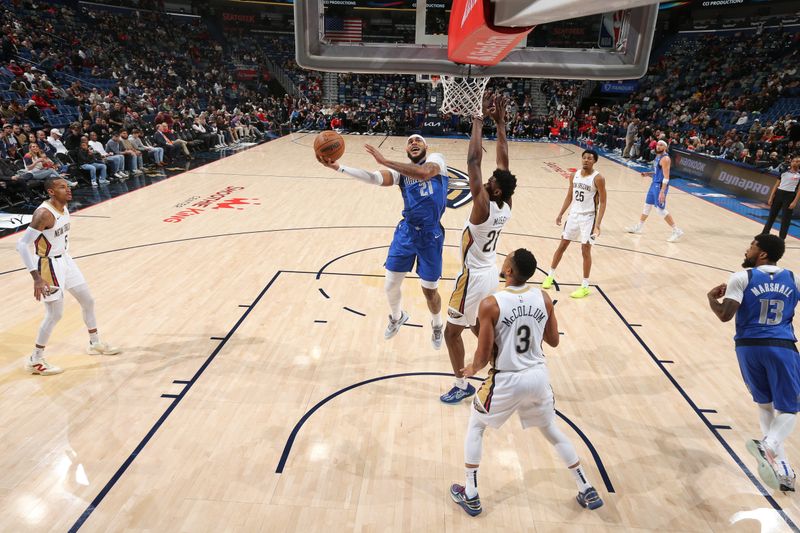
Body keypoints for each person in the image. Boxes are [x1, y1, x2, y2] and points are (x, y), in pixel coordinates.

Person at [450, 249, 604, 516]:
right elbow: (554, 341)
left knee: (476, 426)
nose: (504, 260)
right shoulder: (542, 297)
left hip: (507, 379)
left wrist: (471, 368)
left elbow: (483, 356)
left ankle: (471, 493)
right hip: (538, 376)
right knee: (552, 431)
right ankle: (585, 485)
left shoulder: (491, 304)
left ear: (509, 271)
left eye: (506, 259)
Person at [317, 135, 448, 348]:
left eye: (418, 140)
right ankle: (397, 317)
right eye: (410, 141)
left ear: (426, 146)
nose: (414, 142)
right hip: (406, 233)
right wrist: (339, 168)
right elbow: (374, 178)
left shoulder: (437, 161)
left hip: (430, 236)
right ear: (406, 149)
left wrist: (385, 160)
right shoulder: (401, 173)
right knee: (390, 285)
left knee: (430, 291)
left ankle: (437, 324)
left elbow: (425, 172)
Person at [707, 234, 799, 492]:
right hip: (781, 348)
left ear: (762, 254)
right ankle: (767, 446)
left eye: (752, 246)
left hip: (748, 348)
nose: (747, 249)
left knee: (765, 404)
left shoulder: (741, 277)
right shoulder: (793, 279)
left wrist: (711, 299)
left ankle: (781, 467)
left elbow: (725, 315)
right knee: (789, 410)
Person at [442, 94, 517, 404]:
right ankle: (506, 368)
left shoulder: (483, 206)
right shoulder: (506, 202)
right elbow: (503, 164)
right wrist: (501, 126)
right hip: (488, 273)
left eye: (489, 182)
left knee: (451, 333)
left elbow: (474, 161)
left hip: (473, 276)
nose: (484, 182)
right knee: (475, 325)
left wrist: (477, 118)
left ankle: (462, 385)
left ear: (494, 190)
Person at [15, 177, 120, 375]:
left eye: (68, 185)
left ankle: (94, 343)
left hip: (65, 260)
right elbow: (21, 244)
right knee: (55, 314)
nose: (68, 189)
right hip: (48, 265)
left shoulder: (64, 206)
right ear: (51, 192)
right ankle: (35, 360)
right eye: (62, 187)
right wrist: (36, 277)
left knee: (88, 300)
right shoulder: (44, 213)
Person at [541, 150, 607, 299]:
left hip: (588, 217)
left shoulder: (598, 178)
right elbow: (569, 195)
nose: (586, 160)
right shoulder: (574, 175)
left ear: (594, 161)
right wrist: (560, 213)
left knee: (585, 250)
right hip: (573, 216)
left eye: (589, 159)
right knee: (562, 245)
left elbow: (603, 202)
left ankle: (584, 286)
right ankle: (550, 276)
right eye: (584, 158)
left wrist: (598, 224)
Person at [625, 139, 684, 242]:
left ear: (665, 147)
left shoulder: (665, 159)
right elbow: (657, 171)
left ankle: (676, 230)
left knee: (660, 210)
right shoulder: (658, 156)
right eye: (657, 145)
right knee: (647, 205)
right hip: (654, 184)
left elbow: (666, 177)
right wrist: (649, 173)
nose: (658, 146)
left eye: (661, 145)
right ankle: (639, 226)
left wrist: (662, 191)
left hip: (660, 186)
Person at [762, 154, 800, 240]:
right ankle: (764, 233)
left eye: (798, 162)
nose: (795, 163)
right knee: (772, 215)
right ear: (791, 162)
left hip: (790, 196)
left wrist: (794, 202)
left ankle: (781, 238)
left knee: (786, 219)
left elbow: (799, 190)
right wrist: (771, 197)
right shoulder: (784, 172)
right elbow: (776, 185)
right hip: (779, 194)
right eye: (794, 161)